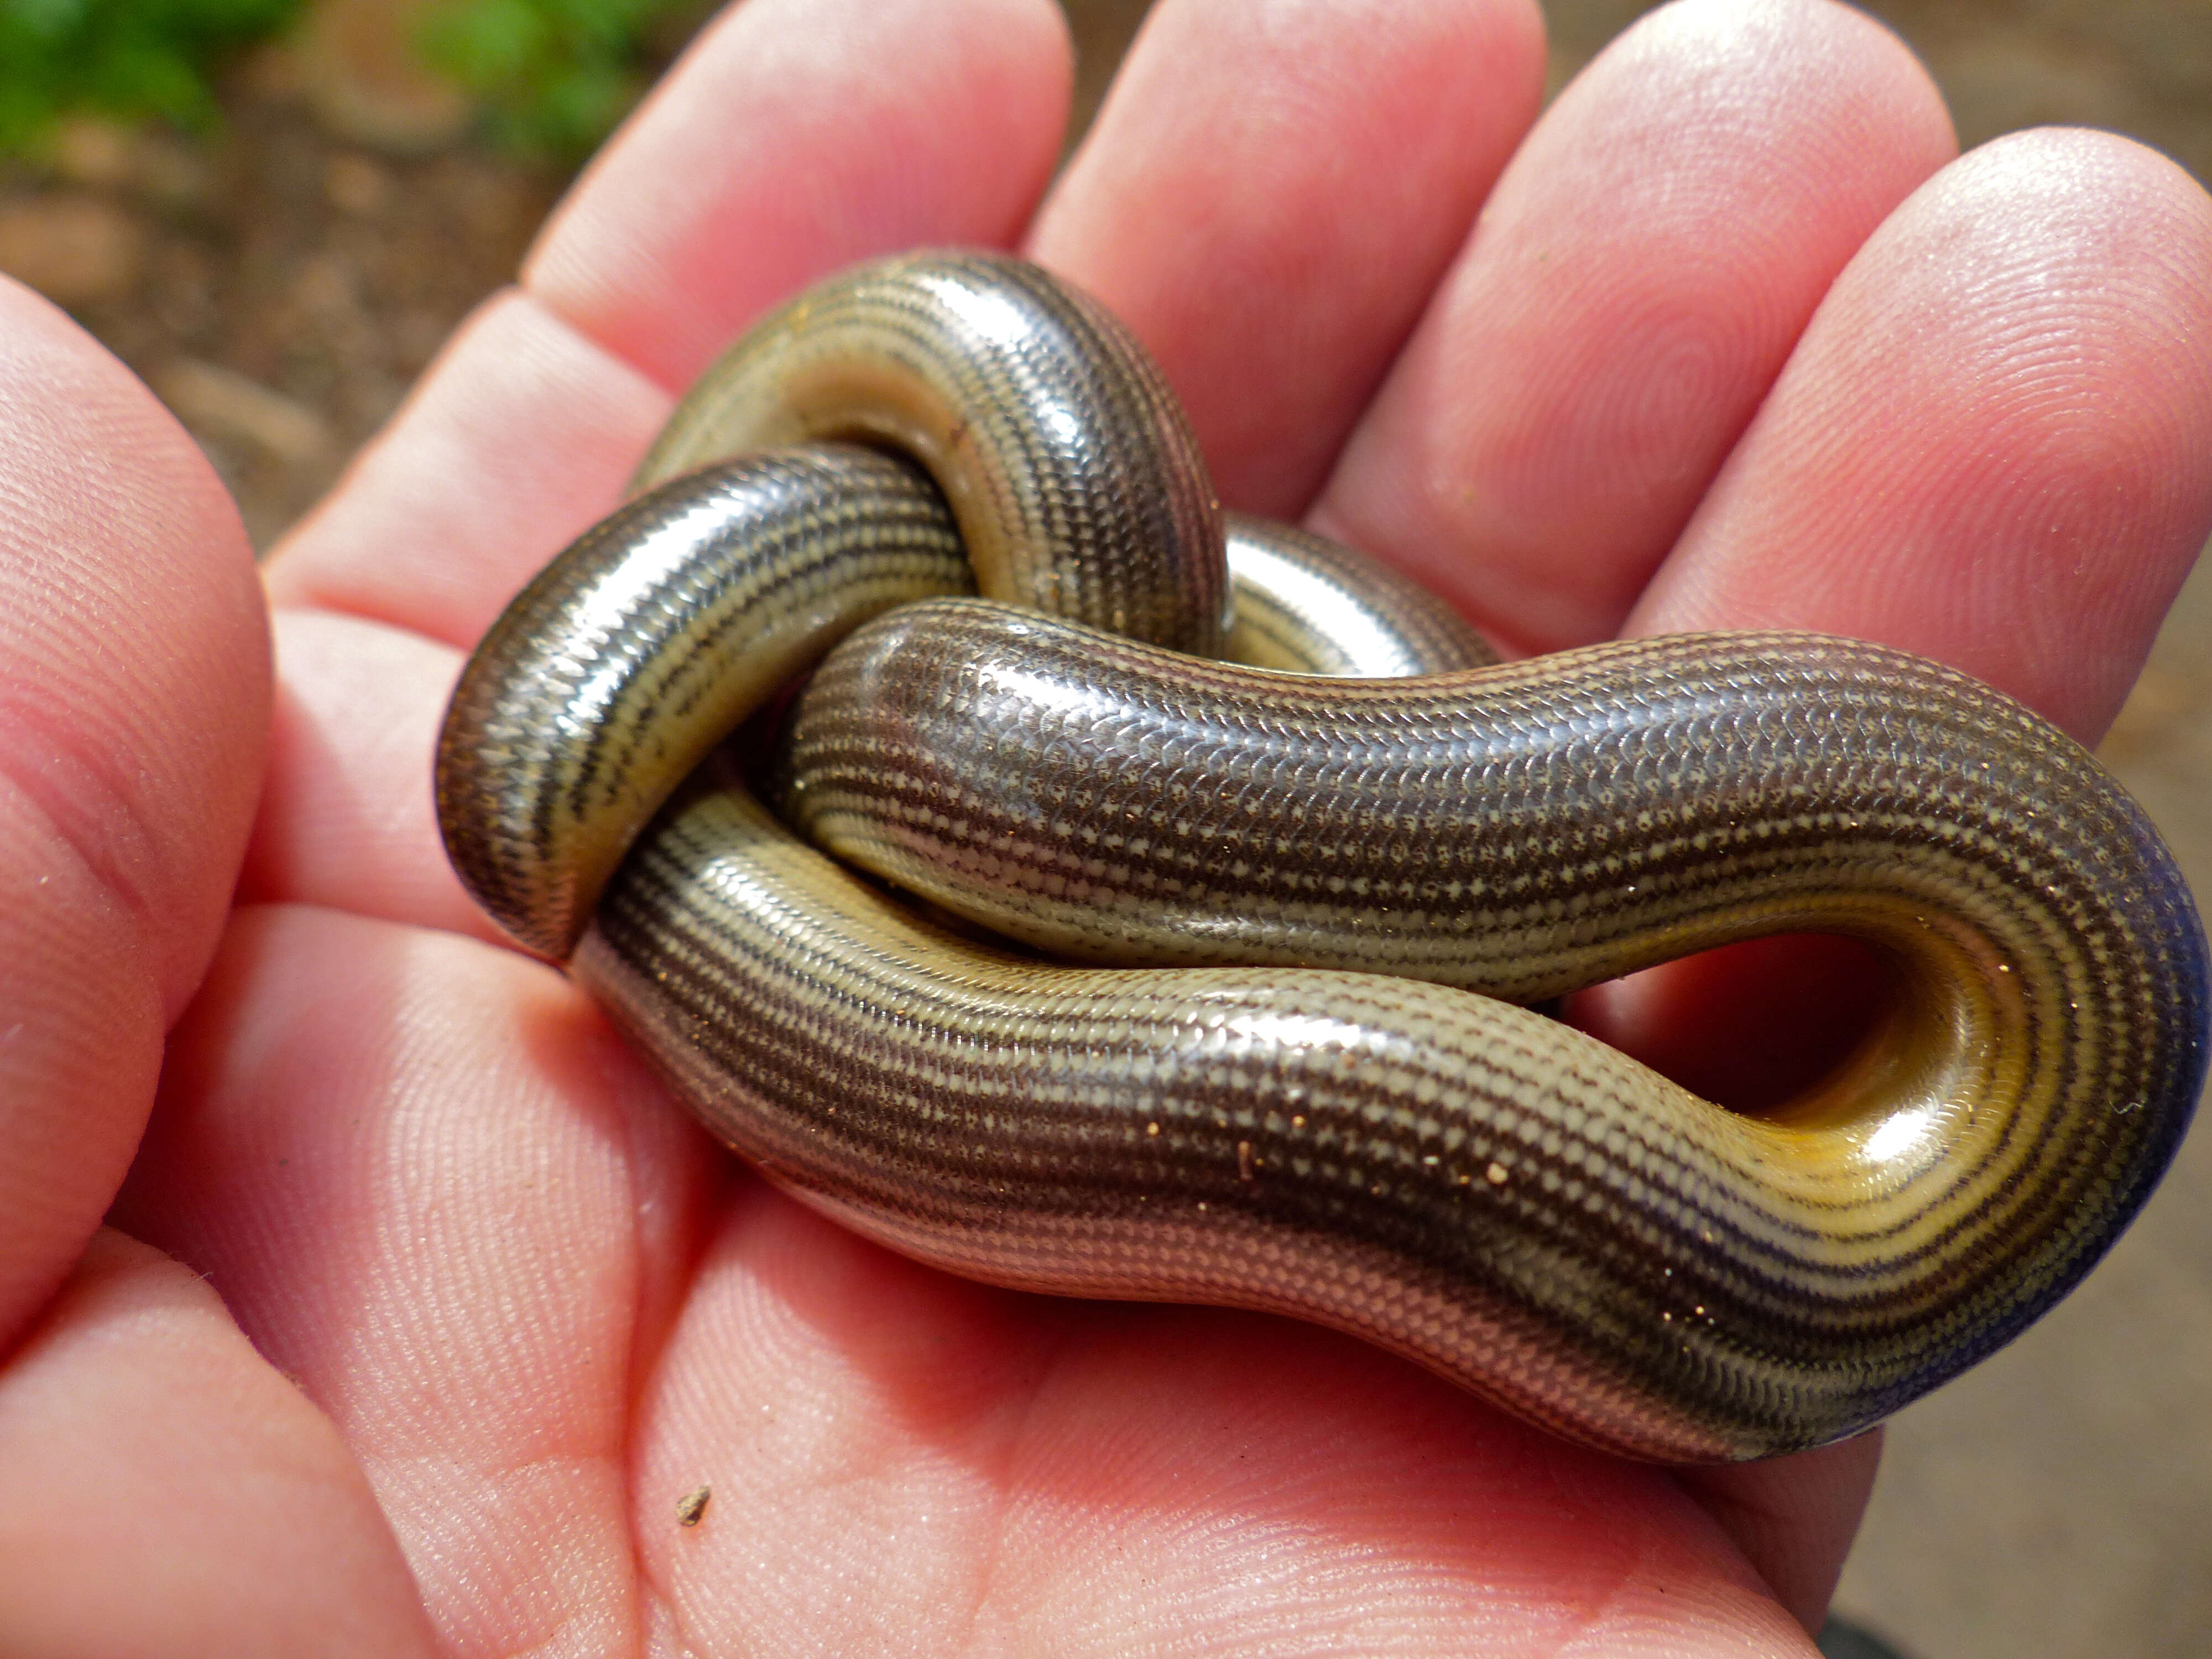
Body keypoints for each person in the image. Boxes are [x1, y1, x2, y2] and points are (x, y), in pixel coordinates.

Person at [2, 0, 2206, 1651]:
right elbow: (541, 816)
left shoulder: (793, 724)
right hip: (985, 783)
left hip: (987, 788)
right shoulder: (786, 733)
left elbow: (556, 815)